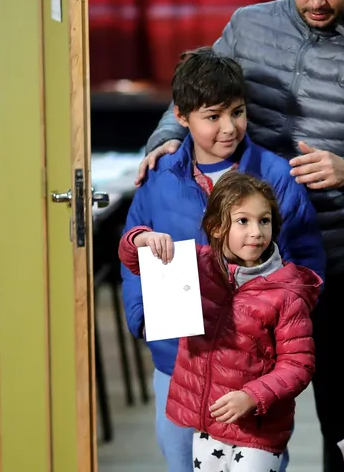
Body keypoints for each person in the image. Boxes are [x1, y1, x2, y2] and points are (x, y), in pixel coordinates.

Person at [135, 0, 344, 469]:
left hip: (339, 265)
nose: (316, 0)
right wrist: (166, 138)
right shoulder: (248, 26)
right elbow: (199, 96)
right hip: (236, 269)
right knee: (229, 419)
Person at [121, 47, 325, 472]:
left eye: (237, 112)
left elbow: (306, 261)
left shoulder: (276, 175)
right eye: (212, 116)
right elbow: (133, 250)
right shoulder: (159, 180)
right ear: (181, 117)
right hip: (178, 362)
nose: (229, 128)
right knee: (182, 463)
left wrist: (282, 315)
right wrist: (144, 319)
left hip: (252, 371)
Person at [119, 171, 323, 472]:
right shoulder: (194, 266)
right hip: (209, 425)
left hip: (257, 432)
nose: (256, 232)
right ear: (216, 227)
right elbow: (133, 258)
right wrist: (142, 237)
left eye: (264, 221)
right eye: (243, 221)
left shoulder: (287, 291)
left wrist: (252, 396)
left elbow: (298, 364)